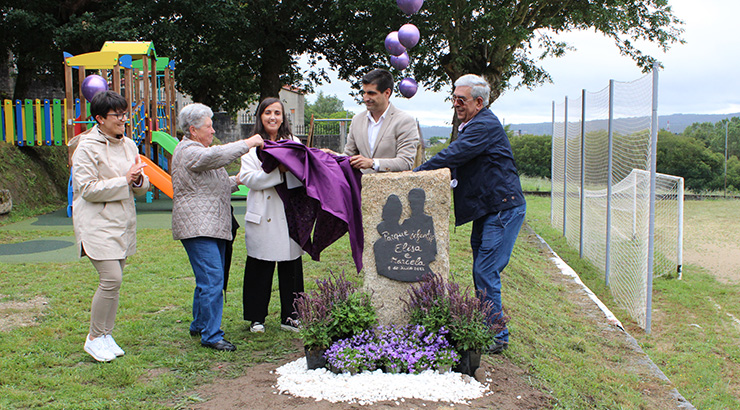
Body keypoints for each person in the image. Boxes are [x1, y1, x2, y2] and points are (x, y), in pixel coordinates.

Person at [414, 74, 526, 354]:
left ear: (479, 101)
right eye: (453, 99)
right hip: (489, 209)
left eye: (460, 100)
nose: (455, 104)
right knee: (482, 268)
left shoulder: (483, 125)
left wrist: (415, 174)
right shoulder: (473, 124)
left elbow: (455, 153)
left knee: (486, 269)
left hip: (501, 209)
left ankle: (497, 335)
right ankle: (485, 324)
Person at [172, 103, 263, 351]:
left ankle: (200, 324)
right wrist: (248, 143)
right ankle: (211, 335)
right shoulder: (189, 150)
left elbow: (213, 185)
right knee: (213, 279)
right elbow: (213, 157)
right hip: (199, 227)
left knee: (208, 279)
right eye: (209, 127)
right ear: (193, 130)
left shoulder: (196, 151)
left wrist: (237, 181)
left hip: (210, 225)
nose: (213, 131)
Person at [71, 90, 150, 362]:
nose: (123, 119)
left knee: (115, 283)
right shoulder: (86, 147)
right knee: (110, 279)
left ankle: (106, 335)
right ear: (100, 118)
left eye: (124, 113)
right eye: (117, 115)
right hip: (96, 224)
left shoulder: (129, 144)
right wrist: (125, 180)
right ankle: (94, 337)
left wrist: (139, 182)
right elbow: (87, 189)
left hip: (122, 222)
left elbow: (139, 186)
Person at [238, 98, 305, 333]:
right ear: (260, 116)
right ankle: (257, 317)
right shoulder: (251, 146)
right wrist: (278, 171)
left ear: (284, 117)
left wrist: (291, 171)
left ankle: (292, 315)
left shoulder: (293, 143)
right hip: (263, 213)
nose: (273, 117)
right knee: (259, 266)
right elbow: (249, 179)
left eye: (277, 113)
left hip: (288, 212)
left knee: (291, 267)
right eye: (268, 113)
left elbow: (302, 175)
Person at [343, 69, 419, 173]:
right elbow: (348, 157)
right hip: (360, 188)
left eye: (371, 93)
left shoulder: (405, 121)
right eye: (364, 93)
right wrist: (330, 156)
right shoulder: (357, 120)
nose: (365, 98)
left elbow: (405, 162)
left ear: (387, 93)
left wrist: (372, 163)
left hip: (391, 187)